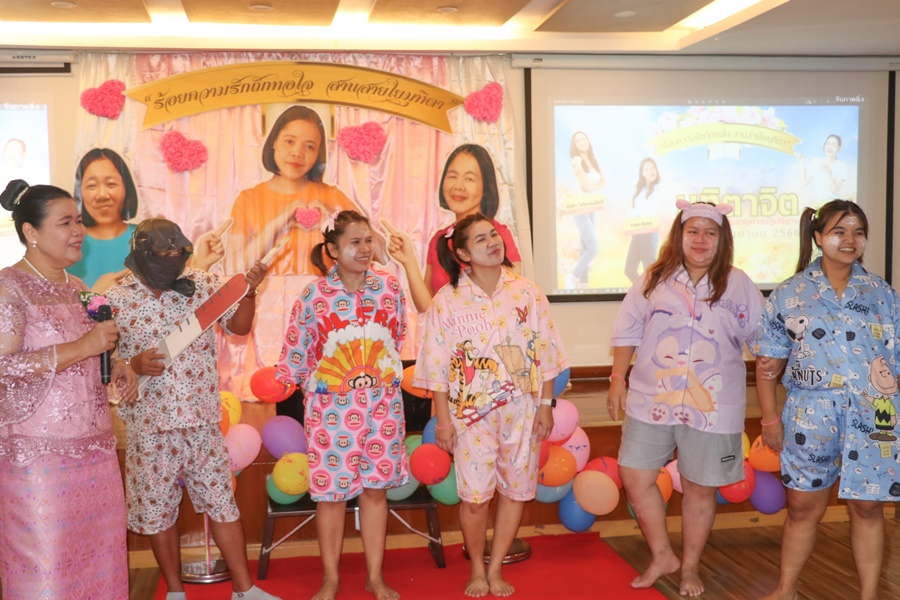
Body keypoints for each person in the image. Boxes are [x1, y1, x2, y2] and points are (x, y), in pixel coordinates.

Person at [105, 218, 279, 600]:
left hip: (202, 420)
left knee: (224, 505)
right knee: (157, 514)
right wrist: (133, 364)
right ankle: (175, 592)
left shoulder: (203, 284)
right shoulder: (115, 298)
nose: (172, 256)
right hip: (148, 425)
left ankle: (245, 590)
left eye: (177, 250)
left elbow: (240, 328)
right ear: (142, 252)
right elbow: (104, 361)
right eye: (163, 251)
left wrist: (249, 292)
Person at [608, 200, 763, 597]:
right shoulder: (654, 278)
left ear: (722, 240)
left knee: (699, 487)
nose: (700, 240)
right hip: (651, 397)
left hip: (713, 405)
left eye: (710, 233)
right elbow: (627, 329)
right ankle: (663, 555)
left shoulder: (738, 284)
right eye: (692, 231)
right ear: (679, 235)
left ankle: (690, 566)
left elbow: (763, 341)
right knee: (635, 475)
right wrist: (617, 378)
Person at [413, 213, 567, 598]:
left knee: (516, 492)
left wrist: (546, 404)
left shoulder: (527, 291)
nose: (492, 242)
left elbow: (547, 350)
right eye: (480, 239)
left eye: (493, 235)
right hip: (470, 416)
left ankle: (495, 569)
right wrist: (443, 421)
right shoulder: (447, 301)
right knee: (475, 498)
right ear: (463, 254)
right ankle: (476, 571)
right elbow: (436, 367)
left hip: (523, 410)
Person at [754, 200, 899, 600]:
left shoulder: (882, 294)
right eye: (839, 231)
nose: (850, 240)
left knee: (868, 508)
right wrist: (770, 419)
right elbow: (767, 365)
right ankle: (786, 588)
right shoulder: (790, 293)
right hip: (810, 417)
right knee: (803, 509)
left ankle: (869, 595)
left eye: (858, 232)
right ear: (818, 237)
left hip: (875, 416)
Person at [0, 179, 137, 598]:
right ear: (31, 232)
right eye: (66, 223)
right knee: (48, 574)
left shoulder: (78, 288)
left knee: (101, 566)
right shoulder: (8, 287)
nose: (79, 230)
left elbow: (93, 351)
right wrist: (82, 348)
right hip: (39, 460)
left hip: (96, 454)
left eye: (79, 221)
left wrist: (118, 366)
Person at [276, 210, 408, 600]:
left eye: (368, 240)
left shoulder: (389, 287)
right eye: (355, 242)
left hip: (384, 406)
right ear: (333, 250)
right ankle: (330, 579)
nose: (365, 249)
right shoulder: (314, 296)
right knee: (331, 496)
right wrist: (325, 391)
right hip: (331, 412)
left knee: (375, 492)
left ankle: (374, 577)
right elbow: (296, 351)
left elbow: (397, 336)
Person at [225, 105, 383, 276]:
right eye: (289, 141)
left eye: (309, 146)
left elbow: (382, 255)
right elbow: (234, 268)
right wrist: (277, 222)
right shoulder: (248, 199)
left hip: (326, 292)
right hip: (265, 293)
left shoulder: (332, 196)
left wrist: (337, 225)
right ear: (274, 142)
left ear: (317, 153)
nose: (297, 153)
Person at [385, 143, 521, 312]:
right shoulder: (440, 238)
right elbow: (429, 309)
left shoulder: (498, 235)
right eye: (452, 176)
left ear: (486, 187)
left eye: (469, 178)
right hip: (447, 329)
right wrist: (409, 261)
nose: (458, 186)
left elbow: (512, 293)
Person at [71, 148, 225, 293]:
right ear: (80, 192)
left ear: (126, 188)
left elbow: (179, 299)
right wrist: (94, 296)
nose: (102, 195)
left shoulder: (151, 236)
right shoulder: (69, 244)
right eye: (92, 186)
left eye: (111, 184)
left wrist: (202, 263)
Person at [568, 131, 604, 289]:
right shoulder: (576, 161)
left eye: (584, 138)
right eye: (578, 141)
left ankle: (583, 284)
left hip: (591, 206)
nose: (582, 142)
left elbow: (604, 181)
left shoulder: (592, 159)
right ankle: (573, 277)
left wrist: (594, 187)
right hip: (580, 206)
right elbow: (586, 186)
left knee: (585, 247)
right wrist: (594, 187)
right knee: (593, 248)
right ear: (575, 146)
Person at [624, 157, 664, 284]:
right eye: (647, 169)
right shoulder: (639, 191)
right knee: (629, 270)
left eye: (653, 168)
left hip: (649, 232)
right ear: (642, 173)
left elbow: (652, 211)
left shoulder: (659, 189)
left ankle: (653, 293)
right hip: (637, 232)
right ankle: (644, 292)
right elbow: (632, 211)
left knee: (650, 269)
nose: (651, 171)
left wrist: (638, 215)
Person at [799, 134, 848, 207]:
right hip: (818, 205)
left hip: (834, 206)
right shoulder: (816, 162)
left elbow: (834, 190)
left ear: (839, 148)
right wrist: (801, 163)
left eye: (833, 145)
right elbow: (804, 182)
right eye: (828, 143)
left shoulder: (842, 166)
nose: (830, 147)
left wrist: (827, 171)